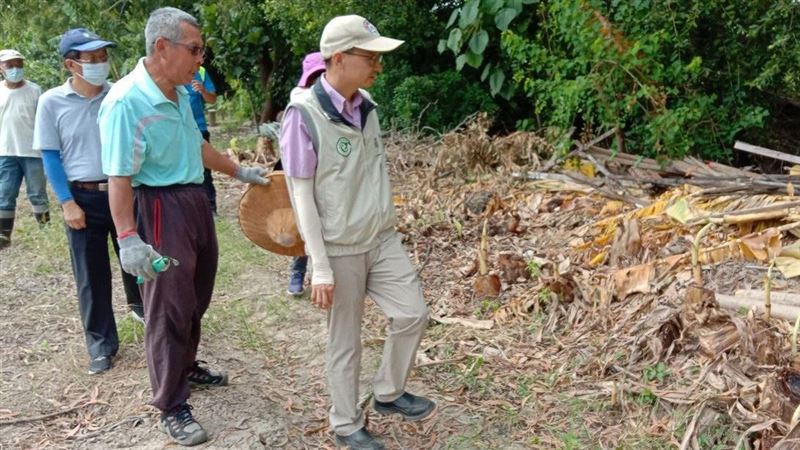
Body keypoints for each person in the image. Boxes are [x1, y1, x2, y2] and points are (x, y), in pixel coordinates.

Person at [98, 7, 267, 446]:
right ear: (162, 47)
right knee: (168, 307)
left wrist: (239, 171)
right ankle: (172, 404)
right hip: (158, 206)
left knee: (195, 295)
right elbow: (118, 177)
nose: (200, 60)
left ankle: (186, 366)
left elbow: (198, 145)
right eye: (194, 50)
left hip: (193, 201)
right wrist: (128, 238)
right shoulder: (126, 102)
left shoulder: (178, 93)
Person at [280, 15, 434, 450]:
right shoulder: (303, 115)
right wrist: (320, 266)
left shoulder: (366, 106)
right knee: (345, 340)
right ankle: (346, 423)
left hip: (381, 237)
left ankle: (388, 392)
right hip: (340, 246)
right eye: (371, 57)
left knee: (412, 314)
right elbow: (301, 195)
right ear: (339, 58)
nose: (378, 66)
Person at [34, 28, 146, 375]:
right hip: (83, 196)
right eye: (91, 58)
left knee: (139, 260)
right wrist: (67, 202)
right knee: (91, 275)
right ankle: (101, 345)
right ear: (71, 64)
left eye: (103, 57)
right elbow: (50, 156)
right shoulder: (51, 102)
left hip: (124, 190)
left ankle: (149, 316)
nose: (100, 63)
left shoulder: (120, 95)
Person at [277, 51, 325, 296]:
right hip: (305, 179)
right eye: (314, 78)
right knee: (303, 220)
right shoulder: (299, 108)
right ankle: (299, 270)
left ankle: (321, 271)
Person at [0, 49, 48, 249]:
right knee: (5, 194)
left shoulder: (35, 90)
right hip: (6, 151)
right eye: (10, 65)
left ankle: (46, 233)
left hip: (33, 151)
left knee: (37, 193)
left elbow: (43, 121)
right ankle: (4, 237)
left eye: (18, 64)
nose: (15, 69)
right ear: (1, 68)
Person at [183, 65, 218, 213]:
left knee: (205, 170)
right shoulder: (170, 70)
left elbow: (212, 99)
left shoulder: (201, 72)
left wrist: (203, 91)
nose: (199, 59)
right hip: (179, 129)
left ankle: (210, 206)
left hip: (199, 128)